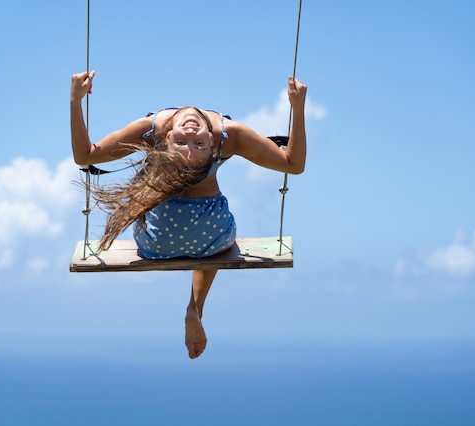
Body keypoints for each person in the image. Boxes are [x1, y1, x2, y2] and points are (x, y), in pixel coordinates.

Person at [70, 70, 307, 359]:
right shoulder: (229, 135)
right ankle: (194, 308)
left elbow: (86, 156)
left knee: (201, 238)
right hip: (213, 239)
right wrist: (297, 107)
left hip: (156, 244)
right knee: (217, 245)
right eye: (189, 143)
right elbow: (292, 164)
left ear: (165, 139)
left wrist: (75, 100)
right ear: (215, 144)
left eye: (190, 142)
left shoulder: (151, 130)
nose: (192, 136)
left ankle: (196, 304)